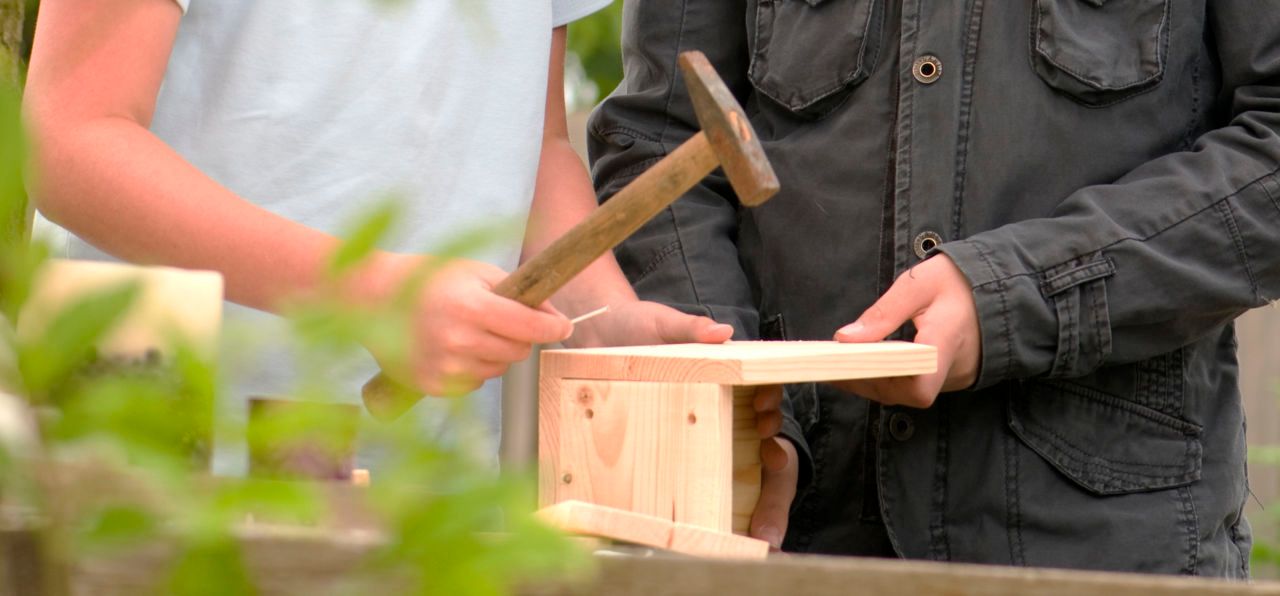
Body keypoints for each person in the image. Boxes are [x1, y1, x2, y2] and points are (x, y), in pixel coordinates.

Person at [590, 0, 1279, 575]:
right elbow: (663, 141)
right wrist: (735, 402)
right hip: (790, 536)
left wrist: (1016, 298)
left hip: (1108, 550)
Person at [21, 0, 733, 473]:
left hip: (422, 470)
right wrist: (364, 291)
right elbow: (68, 140)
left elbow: (529, 137)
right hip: (163, 450)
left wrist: (598, 317)